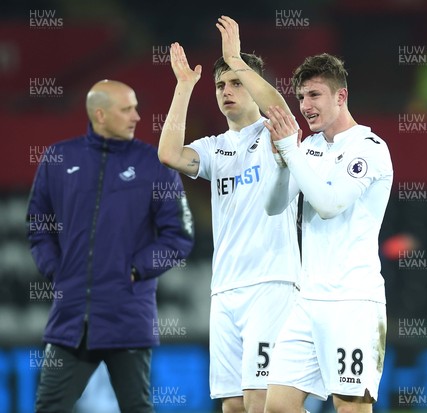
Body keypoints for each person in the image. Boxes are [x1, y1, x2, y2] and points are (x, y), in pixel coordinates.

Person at [157, 16, 301, 413]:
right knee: (233, 406)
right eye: (221, 84)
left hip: (270, 283)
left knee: (261, 403)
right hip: (225, 291)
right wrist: (184, 88)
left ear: (253, 87)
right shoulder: (214, 147)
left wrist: (236, 60)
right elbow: (169, 154)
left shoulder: (276, 131)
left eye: (236, 82)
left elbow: (278, 105)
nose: (226, 90)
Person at [27, 79, 195, 412]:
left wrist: (134, 269)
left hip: (128, 318)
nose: (137, 116)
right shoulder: (59, 158)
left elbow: (179, 236)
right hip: (70, 319)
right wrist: (55, 270)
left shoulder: (154, 164)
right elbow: (38, 224)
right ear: (100, 114)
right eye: (127, 109)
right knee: (49, 406)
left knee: (137, 408)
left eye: (136, 107)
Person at [261, 53, 393, 413]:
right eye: (301, 97)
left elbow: (329, 204)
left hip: (352, 303)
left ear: (341, 96)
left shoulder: (369, 149)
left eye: (314, 95)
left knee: (349, 408)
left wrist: (290, 149)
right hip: (308, 301)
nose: (305, 106)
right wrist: (281, 162)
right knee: (278, 405)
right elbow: (273, 206)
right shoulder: (309, 147)